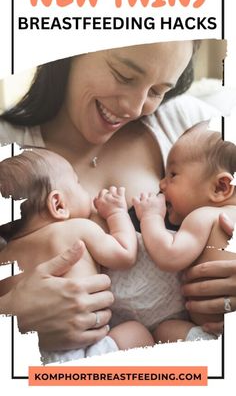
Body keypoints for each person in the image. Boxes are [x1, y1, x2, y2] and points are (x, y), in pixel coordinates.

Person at [0, 41, 235, 354]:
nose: (135, 108)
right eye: (125, 75)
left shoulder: (195, 130)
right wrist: (11, 318)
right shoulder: (7, 152)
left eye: (158, 90)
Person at [0, 148, 154, 362]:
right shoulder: (77, 228)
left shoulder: (4, 257)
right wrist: (116, 213)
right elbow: (125, 254)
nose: (86, 192)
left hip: (29, 358)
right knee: (136, 333)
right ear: (58, 204)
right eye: (78, 183)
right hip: (84, 352)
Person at [133, 121, 236, 343]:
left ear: (220, 188)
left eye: (173, 174)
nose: (161, 184)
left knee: (166, 330)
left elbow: (169, 256)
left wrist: (151, 217)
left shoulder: (205, 216)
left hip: (211, 337)